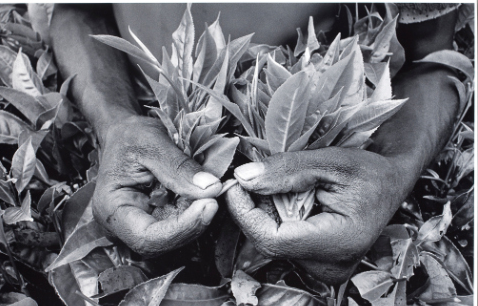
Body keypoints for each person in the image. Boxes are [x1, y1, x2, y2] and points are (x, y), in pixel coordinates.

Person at [49, 3, 461, 284]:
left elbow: (431, 56)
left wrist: (395, 168)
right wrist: (115, 121)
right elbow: (75, 8)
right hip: (149, 134)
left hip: (305, 155)